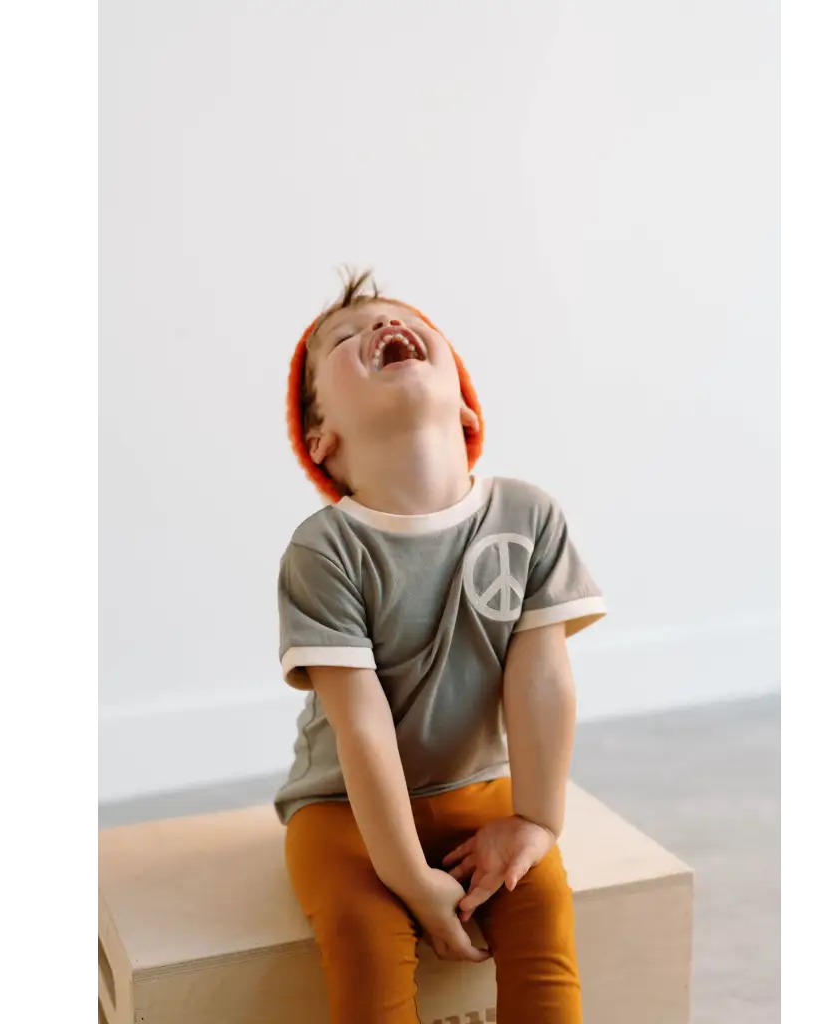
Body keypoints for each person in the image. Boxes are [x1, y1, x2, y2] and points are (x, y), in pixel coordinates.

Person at [275, 269, 606, 1023]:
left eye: (395, 319)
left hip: (478, 786)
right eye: (343, 338)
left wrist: (536, 820)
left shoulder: (530, 515)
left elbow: (542, 680)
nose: (377, 329)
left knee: (544, 901)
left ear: (463, 401)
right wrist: (412, 882)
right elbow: (360, 724)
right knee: (363, 930)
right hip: (342, 811)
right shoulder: (325, 548)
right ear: (321, 441)